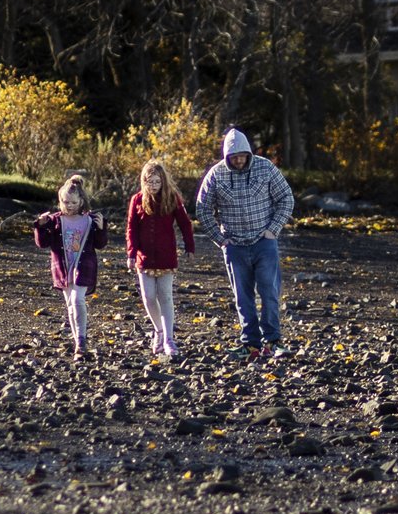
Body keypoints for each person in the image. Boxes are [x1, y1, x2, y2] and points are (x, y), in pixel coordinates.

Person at [194, 123, 293, 364]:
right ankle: (250, 344)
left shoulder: (265, 168)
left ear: (248, 153)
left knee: (269, 292)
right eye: (233, 157)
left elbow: (286, 198)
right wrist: (220, 240)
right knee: (242, 296)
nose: (238, 161)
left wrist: (273, 230)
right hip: (234, 245)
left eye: (241, 157)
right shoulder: (216, 174)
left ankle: (273, 341)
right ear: (227, 156)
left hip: (264, 242)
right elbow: (203, 209)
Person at [124, 153, 195, 360]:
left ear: (163, 181)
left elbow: (185, 224)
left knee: (165, 296)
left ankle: (169, 338)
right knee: (147, 296)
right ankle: (158, 330)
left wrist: (189, 247)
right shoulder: (137, 200)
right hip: (144, 256)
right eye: (150, 182)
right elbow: (131, 228)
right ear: (144, 181)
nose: (153, 186)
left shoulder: (172, 199)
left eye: (157, 182)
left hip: (166, 256)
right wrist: (131, 253)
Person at [31, 170, 102, 361]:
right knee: (70, 302)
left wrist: (102, 227)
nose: (68, 206)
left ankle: (81, 340)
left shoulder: (90, 220)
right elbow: (43, 243)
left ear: (81, 201)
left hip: (84, 265)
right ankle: (77, 338)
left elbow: (101, 244)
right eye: (65, 202)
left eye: (73, 202)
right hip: (63, 267)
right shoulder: (55, 220)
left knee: (78, 299)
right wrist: (41, 226)